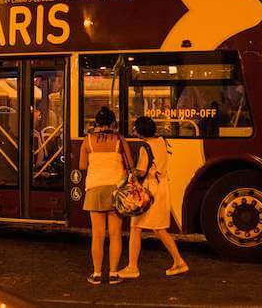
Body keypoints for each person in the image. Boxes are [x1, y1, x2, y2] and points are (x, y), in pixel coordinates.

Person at [119, 116, 188, 279]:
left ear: (141, 131)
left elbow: (142, 171)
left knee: (136, 227)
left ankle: (133, 267)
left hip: (149, 189)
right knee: (159, 227)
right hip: (162, 186)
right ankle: (178, 261)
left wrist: (129, 172)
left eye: (135, 128)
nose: (134, 131)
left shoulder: (145, 147)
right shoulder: (162, 141)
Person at [79, 106, 132, 285]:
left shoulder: (88, 141)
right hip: (116, 191)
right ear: (113, 123)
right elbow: (129, 164)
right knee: (116, 234)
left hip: (94, 189)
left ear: (96, 123)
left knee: (98, 234)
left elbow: (82, 166)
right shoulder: (119, 139)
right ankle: (114, 273)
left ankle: (96, 273)